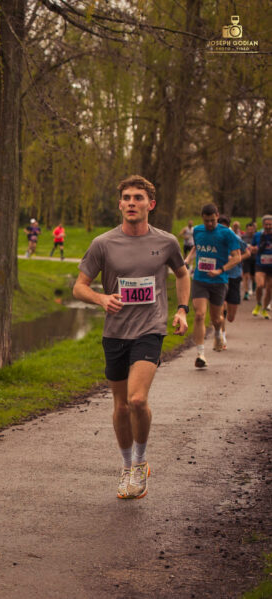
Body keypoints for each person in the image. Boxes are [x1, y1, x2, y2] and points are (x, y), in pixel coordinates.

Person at [73, 175, 189, 500]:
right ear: (120, 204)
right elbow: (79, 286)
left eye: (138, 197)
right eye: (126, 197)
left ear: (151, 204)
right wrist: (101, 299)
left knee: (138, 400)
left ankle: (139, 463)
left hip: (150, 329)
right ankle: (126, 465)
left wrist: (181, 309)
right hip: (115, 333)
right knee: (121, 406)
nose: (131, 203)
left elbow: (182, 273)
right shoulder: (103, 243)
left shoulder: (166, 242)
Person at [184, 203, 241, 367]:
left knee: (216, 319)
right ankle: (200, 354)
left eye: (212, 220)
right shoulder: (197, 230)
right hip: (200, 279)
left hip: (219, 281)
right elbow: (197, 247)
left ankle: (217, 332)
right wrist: (188, 260)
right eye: (206, 220)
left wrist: (221, 269)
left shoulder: (226, 233)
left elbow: (237, 257)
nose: (209, 224)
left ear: (217, 215)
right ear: (202, 218)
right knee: (200, 315)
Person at [217, 215, 249, 349]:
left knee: (230, 316)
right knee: (221, 306)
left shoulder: (235, 238)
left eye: (225, 227)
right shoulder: (214, 238)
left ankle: (223, 328)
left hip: (234, 276)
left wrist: (235, 259)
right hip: (220, 276)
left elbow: (247, 252)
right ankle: (221, 335)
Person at [250, 214, 272, 319]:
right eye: (266, 224)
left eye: (270, 224)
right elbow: (251, 247)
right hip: (260, 264)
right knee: (260, 285)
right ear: (263, 224)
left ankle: (264, 309)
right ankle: (258, 304)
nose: (268, 226)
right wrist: (254, 249)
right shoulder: (257, 235)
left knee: (269, 289)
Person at [242, 221, 257, 299]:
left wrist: (254, 248)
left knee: (253, 276)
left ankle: (254, 284)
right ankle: (246, 292)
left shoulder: (257, 237)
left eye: (252, 229)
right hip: (246, 259)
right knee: (246, 276)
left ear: (254, 229)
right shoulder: (243, 237)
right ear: (246, 229)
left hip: (255, 259)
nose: (250, 231)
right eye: (249, 229)